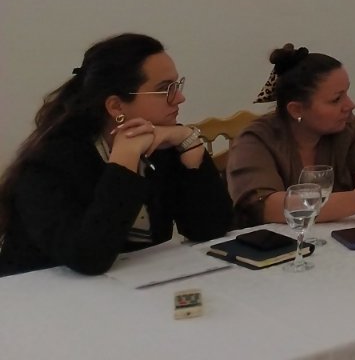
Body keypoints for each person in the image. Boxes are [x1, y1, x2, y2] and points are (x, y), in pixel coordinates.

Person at [0, 34, 232, 277]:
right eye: (164, 89)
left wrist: (188, 142)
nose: (179, 98)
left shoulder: (161, 142)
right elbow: (88, 257)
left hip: (129, 282)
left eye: (177, 85)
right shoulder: (49, 162)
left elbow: (210, 228)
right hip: (37, 290)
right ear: (116, 106)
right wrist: (124, 161)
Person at [226, 44, 355, 225]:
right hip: (277, 243)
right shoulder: (255, 139)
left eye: (347, 93)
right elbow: (265, 206)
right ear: (297, 110)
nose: (350, 105)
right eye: (336, 99)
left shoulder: (347, 125)